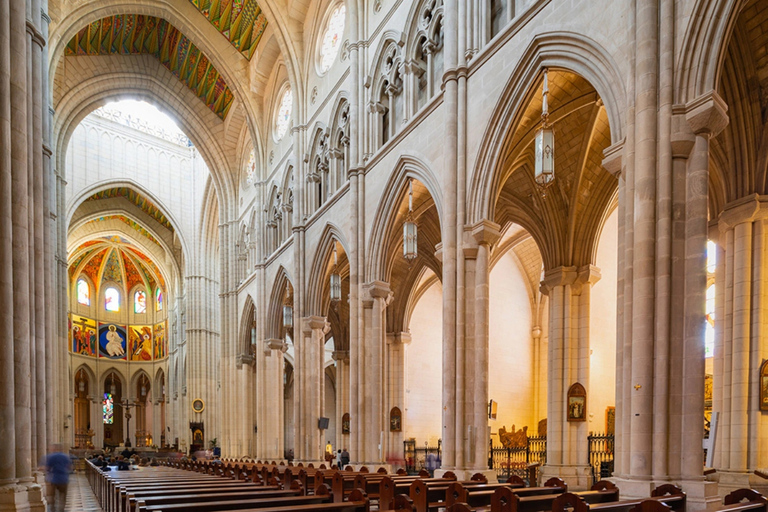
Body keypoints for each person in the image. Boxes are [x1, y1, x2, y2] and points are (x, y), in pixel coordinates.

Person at [45, 444, 72, 512]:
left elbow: (48, 467)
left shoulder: (52, 456)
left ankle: (53, 509)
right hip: (63, 478)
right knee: (63, 496)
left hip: (54, 479)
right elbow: (69, 467)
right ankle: (61, 509)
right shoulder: (65, 456)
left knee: (53, 496)